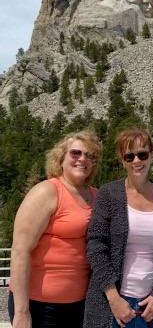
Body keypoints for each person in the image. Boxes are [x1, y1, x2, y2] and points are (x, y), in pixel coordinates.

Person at [83, 127, 153, 328]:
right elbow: (96, 246)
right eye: (129, 156)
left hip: (151, 309)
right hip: (112, 304)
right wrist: (113, 297)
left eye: (142, 154)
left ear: (152, 156)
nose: (136, 161)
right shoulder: (109, 194)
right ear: (122, 159)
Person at [8, 130, 102, 328]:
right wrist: (22, 312)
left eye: (89, 155)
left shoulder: (97, 196)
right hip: (40, 306)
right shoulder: (47, 192)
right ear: (61, 158)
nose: (82, 159)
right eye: (75, 153)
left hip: (80, 306)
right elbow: (20, 251)